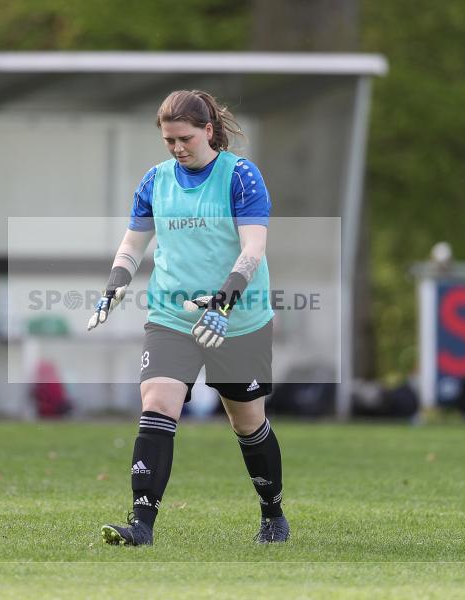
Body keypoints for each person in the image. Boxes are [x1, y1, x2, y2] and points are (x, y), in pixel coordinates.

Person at [87, 90, 288, 545]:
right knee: (157, 402)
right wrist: (115, 284)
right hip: (172, 315)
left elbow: (253, 248)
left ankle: (272, 513)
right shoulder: (155, 181)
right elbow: (132, 246)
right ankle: (141, 525)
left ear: (208, 131)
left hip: (238, 318)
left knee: (246, 422)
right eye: (169, 140)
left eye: (185, 138)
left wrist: (223, 302)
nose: (177, 148)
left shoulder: (240, 176)